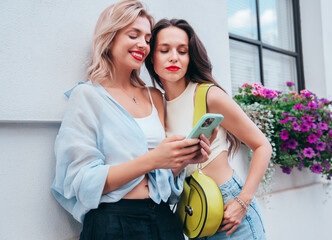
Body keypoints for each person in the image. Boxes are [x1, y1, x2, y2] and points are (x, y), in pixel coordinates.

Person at [51, 2, 214, 239]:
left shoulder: (155, 97)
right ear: (110, 38)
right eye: (133, 35)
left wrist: (184, 159)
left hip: (162, 218)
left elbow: (161, 177)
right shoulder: (87, 96)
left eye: (147, 39)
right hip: (113, 222)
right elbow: (83, 182)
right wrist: (152, 159)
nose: (143, 45)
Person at [145, 18, 272, 240]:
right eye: (164, 50)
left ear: (190, 57)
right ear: (151, 57)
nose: (174, 57)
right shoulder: (157, 105)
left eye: (182, 51)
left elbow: (262, 145)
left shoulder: (207, 95)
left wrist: (243, 201)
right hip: (193, 213)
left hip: (229, 209)